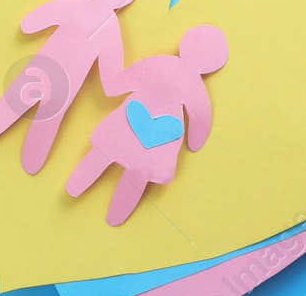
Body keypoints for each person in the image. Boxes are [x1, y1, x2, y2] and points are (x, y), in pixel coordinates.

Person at [0, 0, 141, 174]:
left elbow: (30, 23)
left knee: (16, 99)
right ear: (125, 0)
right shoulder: (110, 27)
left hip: (42, 67)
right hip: (68, 83)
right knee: (49, 120)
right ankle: (31, 162)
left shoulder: (77, 5)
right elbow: (110, 79)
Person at [65, 24, 229, 225]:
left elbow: (126, 79)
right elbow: (201, 117)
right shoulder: (195, 85)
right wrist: (194, 142)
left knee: (105, 152)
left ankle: (76, 187)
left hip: (131, 121)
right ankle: (115, 216)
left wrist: (115, 85)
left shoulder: (160, 63)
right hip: (161, 136)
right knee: (139, 173)